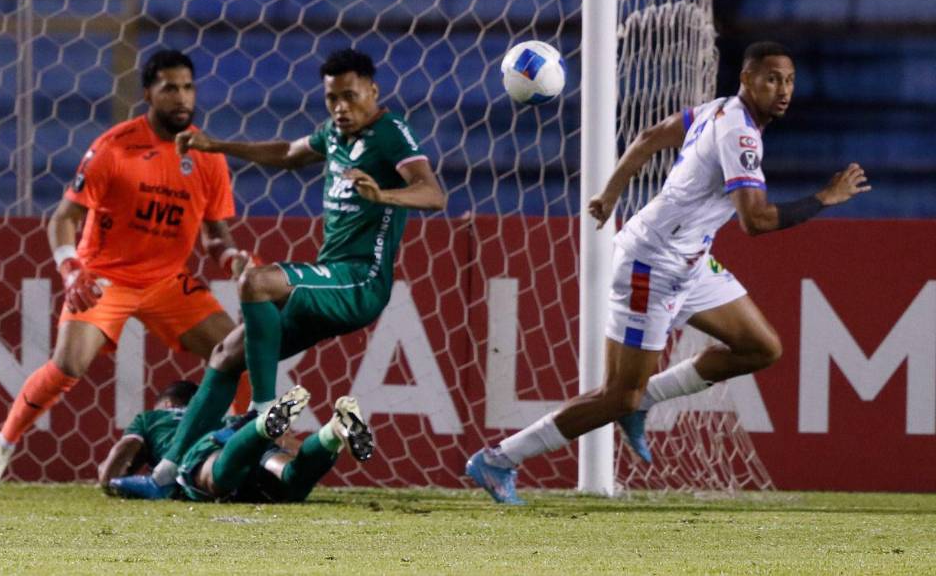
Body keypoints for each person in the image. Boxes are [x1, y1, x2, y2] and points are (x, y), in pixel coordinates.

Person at [466, 41, 871, 504]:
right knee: (619, 396)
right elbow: (754, 221)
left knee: (760, 347)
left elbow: (647, 138)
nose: (783, 90)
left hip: (690, 263)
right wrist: (825, 198)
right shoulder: (740, 136)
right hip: (650, 265)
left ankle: (647, 401)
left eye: (789, 80)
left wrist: (610, 195)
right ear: (746, 80)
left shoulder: (718, 109)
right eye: (772, 78)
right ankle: (499, 459)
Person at [114, 47, 445, 499]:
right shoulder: (334, 134)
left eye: (350, 96)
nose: (341, 108)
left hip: (360, 280)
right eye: (332, 99)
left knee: (257, 281)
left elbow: (433, 194)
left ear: (374, 91)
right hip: (331, 274)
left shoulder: (390, 134)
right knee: (226, 353)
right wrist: (219, 146)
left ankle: (262, 410)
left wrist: (384, 196)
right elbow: (288, 153)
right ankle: (163, 477)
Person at [0, 49, 250, 489]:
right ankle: (2, 445)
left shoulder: (207, 156)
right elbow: (63, 217)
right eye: (170, 88)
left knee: (241, 355)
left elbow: (216, 235)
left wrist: (232, 259)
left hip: (166, 282)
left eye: (188, 87)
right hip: (105, 278)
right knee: (68, 365)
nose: (181, 98)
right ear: (148, 95)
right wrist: (69, 269)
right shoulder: (115, 147)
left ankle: (245, 454)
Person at [99, 383, 372, 503]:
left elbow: (124, 449)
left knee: (215, 476)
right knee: (291, 480)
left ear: (169, 403)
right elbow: (290, 444)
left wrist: (108, 479)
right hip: (237, 432)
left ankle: (259, 426)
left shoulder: (152, 417)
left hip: (209, 450)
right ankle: (331, 432)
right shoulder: (221, 416)